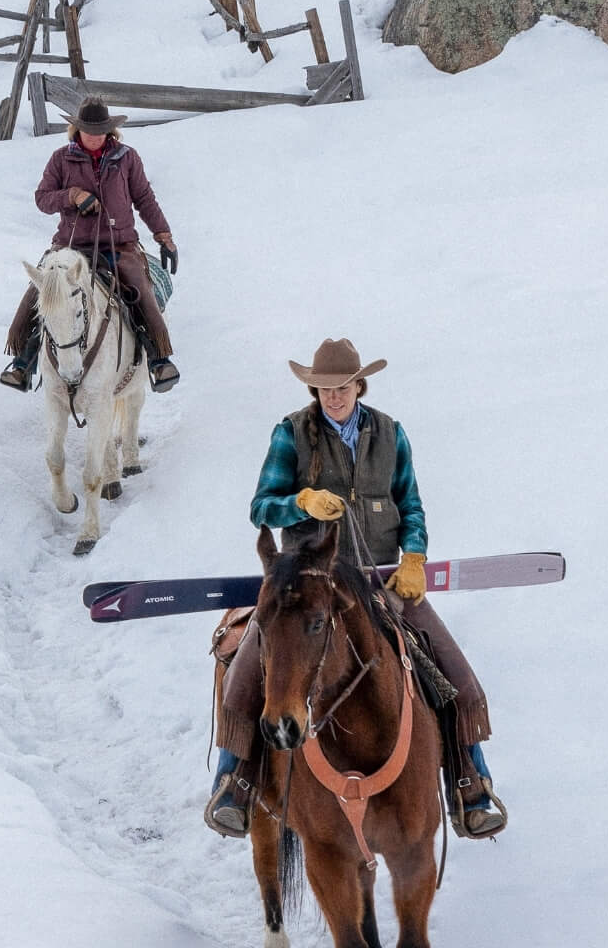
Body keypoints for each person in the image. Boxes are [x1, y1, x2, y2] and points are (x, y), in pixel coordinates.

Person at [204, 338, 508, 841]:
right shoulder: (290, 433)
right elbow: (261, 508)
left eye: (342, 387)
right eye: (324, 389)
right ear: (313, 390)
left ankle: (470, 786)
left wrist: (414, 556)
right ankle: (233, 784)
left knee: (456, 677)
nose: (334, 396)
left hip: (382, 581)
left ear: (359, 386)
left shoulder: (391, 433)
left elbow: (411, 505)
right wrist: (301, 501)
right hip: (306, 582)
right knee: (247, 674)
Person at [0, 96, 180, 392]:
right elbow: (42, 198)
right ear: (77, 129)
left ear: (110, 130)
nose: (95, 136)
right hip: (70, 246)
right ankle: (23, 363)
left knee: (139, 291)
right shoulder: (61, 158)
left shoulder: (127, 158)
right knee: (40, 290)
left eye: (101, 131)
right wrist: (72, 195)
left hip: (118, 245)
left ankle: (160, 360)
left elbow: (144, 198)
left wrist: (163, 235)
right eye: (89, 131)